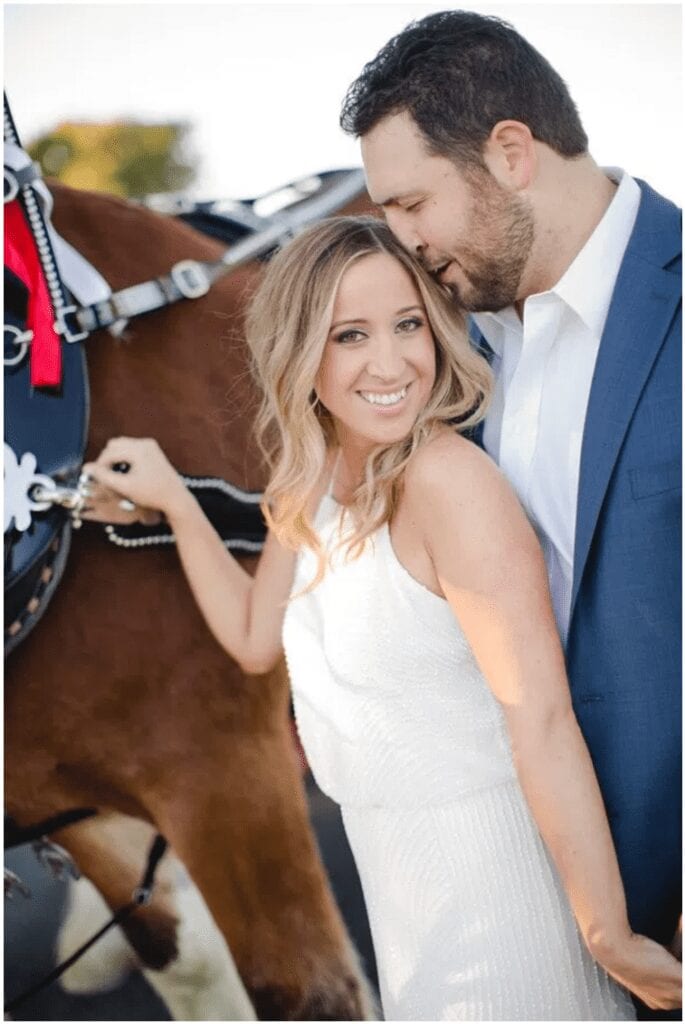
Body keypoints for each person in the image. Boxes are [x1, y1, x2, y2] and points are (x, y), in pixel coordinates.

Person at [81, 216, 680, 1020]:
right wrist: (180, 509)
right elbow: (258, 641)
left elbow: (538, 717)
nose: (391, 362)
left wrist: (607, 934)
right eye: (349, 335)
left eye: (408, 325)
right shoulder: (306, 484)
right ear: (300, 353)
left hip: (502, 892)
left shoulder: (449, 485)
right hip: (401, 894)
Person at [339, 10, 681, 1018]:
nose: (400, 239)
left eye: (411, 201)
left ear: (510, 152)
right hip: (528, 917)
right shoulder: (451, 354)